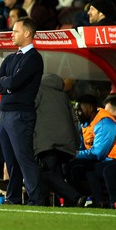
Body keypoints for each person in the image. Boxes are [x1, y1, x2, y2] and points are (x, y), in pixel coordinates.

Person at [0, 16, 44, 206]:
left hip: (21, 114)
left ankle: (36, 199)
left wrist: (7, 83)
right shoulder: (11, 58)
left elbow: (13, 82)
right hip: (5, 114)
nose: (12, 34)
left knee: (24, 158)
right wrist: (8, 84)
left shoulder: (34, 58)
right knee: (11, 160)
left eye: (16, 31)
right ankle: (13, 197)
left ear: (27, 33)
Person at [34, 73, 86, 207]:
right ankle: (63, 203)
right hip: (65, 143)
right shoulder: (63, 95)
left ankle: (75, 197)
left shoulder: (38, 91)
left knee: (45, 173)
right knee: (55, 173)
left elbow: (31, 110)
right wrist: (76, 142)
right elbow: (74, 120)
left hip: (48, 142)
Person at [65, 94, 116, 207]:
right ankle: (80, 198)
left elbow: (98, 153)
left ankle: (101, 202)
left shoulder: (104, 123)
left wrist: (76, 154)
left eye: (79, 110)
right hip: (99, 158)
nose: (77, 113)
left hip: (114, 158)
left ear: (90, 109)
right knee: (69, 166)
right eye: (75, 110)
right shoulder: (84, 123)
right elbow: (84, 147)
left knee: (91, 170)